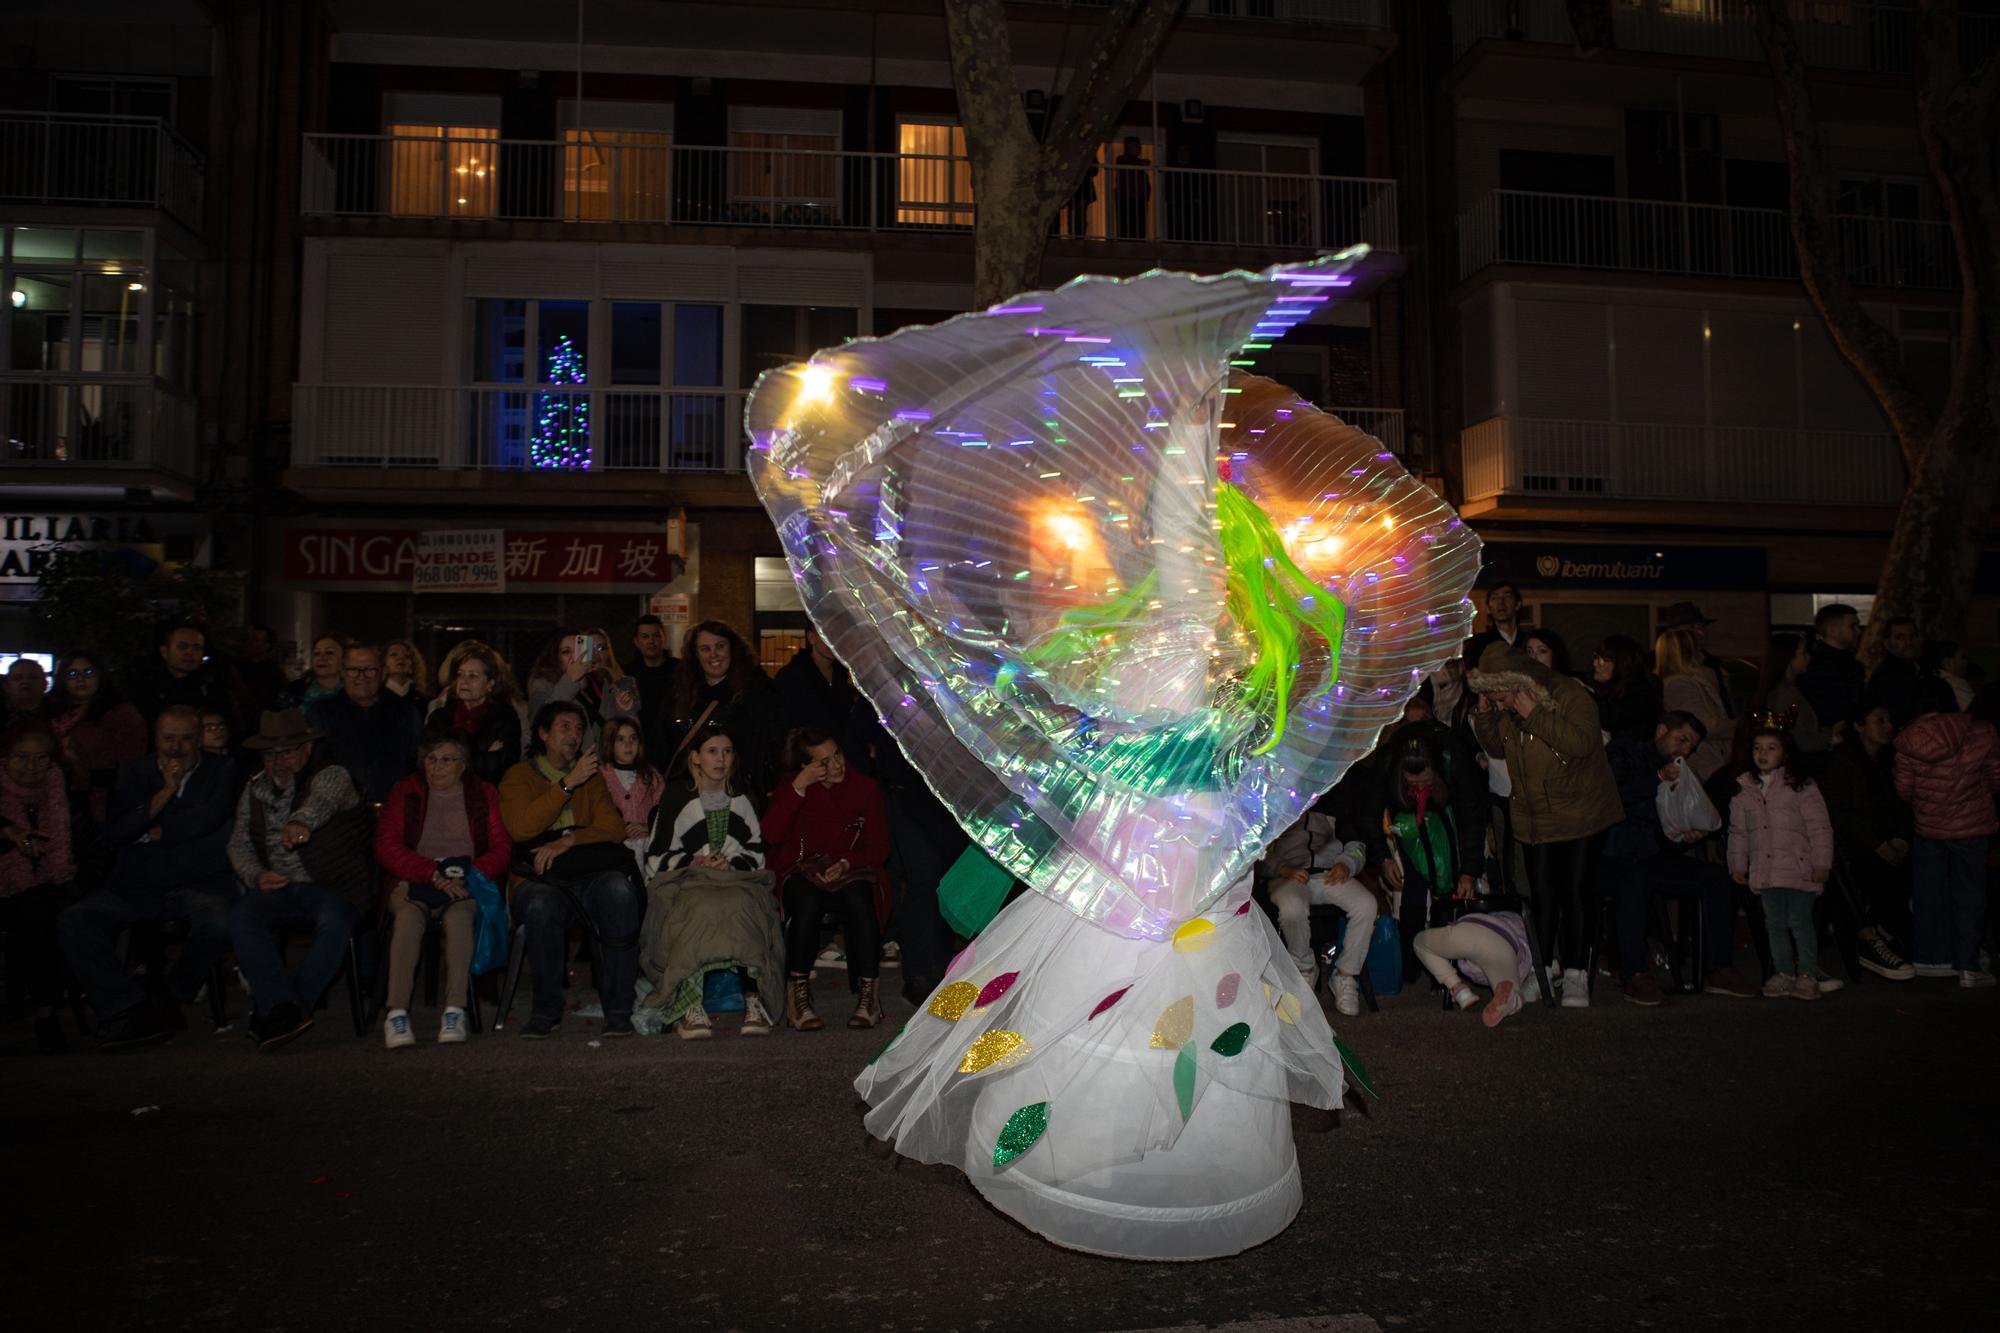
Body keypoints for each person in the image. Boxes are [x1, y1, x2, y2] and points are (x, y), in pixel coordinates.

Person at [56, 706, 239, 1050]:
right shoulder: (134, 773)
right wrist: (166, 792)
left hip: (196, 882)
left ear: (199, 738)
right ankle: (127, 1004)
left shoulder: (222, 770)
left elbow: (207, 821)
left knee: (221, 920)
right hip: (135, 884)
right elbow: (116, 831)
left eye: (186, 739)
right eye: (168, 738)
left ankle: (170, 994)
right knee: (74, 920)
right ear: (154, 738)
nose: (177, 747)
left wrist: (152, 829)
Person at [1468, 643, 1622, 1008]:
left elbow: (1583, 744)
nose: (1498, 701)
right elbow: (1498, 748)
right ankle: (1543, 969)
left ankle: (1576, 974)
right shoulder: (1507, 704)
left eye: (1498, 694)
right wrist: (1486, 713)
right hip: (1536, 815)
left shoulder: (1569, 695)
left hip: (1582, 812)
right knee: (1542, 896)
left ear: (1517, 682)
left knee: (1575, 892)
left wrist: (1535, 715)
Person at [499, 700, 642, 1038]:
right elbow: (522, 828)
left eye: (579, 729)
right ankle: (547, 1010)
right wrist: (566, 785)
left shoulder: (590, 778)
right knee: (540, 904)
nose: (574, 735)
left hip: (585, 869)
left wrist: (568, 841)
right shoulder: (518, 776)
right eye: (565, 727)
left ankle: (619, 1010)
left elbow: (613, 828)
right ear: (543, 734)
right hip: (538, 876)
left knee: (620, 891)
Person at [226, 709, 364, 1051]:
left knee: (335, 919)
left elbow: (322, 801)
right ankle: (283, 1007)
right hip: (279, 886)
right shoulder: (254, 789)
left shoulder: (331, 775)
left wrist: (301, 822)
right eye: (271, 754)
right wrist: (255, 874)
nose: (279, 761)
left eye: (288, 752)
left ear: (305, 750)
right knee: (243, 915)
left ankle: (283, 1010)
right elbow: (238, 843)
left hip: (332, 884)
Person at [638, 723, 784, 1039]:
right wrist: (698, 862)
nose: (721, 759)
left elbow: (756, 853)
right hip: (688, 882)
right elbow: (656, 855)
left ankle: (753, 998)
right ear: (695, 758)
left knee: (743, 907)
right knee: (699, 909)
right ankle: (689, 1005)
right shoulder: (677, 796)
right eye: (712, 752)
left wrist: (730, 863)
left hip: (736, 881)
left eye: (727, 752)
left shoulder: (742, 796)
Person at [1603, 712, 1755, 1006]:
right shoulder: (1624, 752)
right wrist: (1657, 778)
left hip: (1649, 857)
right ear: (1661, 730)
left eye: (1690, 746)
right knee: (1633, 880)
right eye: (1681, 739)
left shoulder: (1680, 770)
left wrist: (1683, 836)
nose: (1684, 750)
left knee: (1716, 878)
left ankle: (1719, 968)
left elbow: (1661, 833)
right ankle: (1635, 973)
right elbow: (1612, 796)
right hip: (1612, 856)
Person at [374, 733, 512, 1048]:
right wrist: (430, 874)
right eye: (431, 759)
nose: (437, 767)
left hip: (464, 880)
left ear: (463, 765)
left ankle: (454, 1009)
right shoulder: (405, 792)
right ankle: (396, 1013)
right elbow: (386, 846)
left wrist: (471, 875)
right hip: (414, 876)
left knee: (461, 917)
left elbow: (501, 847)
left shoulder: (482, 795)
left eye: (447, 760)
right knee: (408, 918)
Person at [765, 727, 891, 1031]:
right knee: (806, 901)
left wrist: (848, 863)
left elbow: (880, 846)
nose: (836, 765)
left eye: (838, 755)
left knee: (861, 897)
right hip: (803, 870)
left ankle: (869, 996)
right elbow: (771, 834)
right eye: (824, 762)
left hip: (851, 870)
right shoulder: (793, 786)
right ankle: (798, 994)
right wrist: (798, 788)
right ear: (807, 766)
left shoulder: (863, 787)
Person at [1363, 702, 1487, 978]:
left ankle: (1448, 959)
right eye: (1413, 783)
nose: (1420, 787)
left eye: (1425, 782)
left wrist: (1469, 870)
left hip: (1448, 818)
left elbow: (1471, 815)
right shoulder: (1387, 764)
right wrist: (1383, 857)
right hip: (1408, 824)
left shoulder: (1452, 758)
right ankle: (1412, 960)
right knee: (1414, 885)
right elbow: (1369, 816)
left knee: (1449, 884)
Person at [1893, 699, 2000, 987]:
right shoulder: (1983, 732)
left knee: (1929, 893)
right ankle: (1968, 964)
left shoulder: (1909, 738)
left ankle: (1931, 959)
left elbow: (1904, 790)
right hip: (1972, 827)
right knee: (1970, 896)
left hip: (1929, 829)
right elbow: (1995, 777)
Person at [1729, 728, 1836, 1001]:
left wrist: (1822, 862)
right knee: (1774, 924)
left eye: (1771, 748)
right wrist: (1737, 864)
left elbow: (1820, 827)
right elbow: (1739, 833)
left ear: (1786, 753)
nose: (1763, 754)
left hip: (1799, 869)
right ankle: (1784, 972)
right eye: (1757, 747)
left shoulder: (1801, 786)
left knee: (1800, 922)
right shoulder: (1745, 792)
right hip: (1767, 872)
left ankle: (1808, 974)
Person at [1819, 704, 1916, 979]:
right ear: (1859, 726)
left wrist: (1899, 838)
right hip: (1853, 848)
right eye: (1879, 721)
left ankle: (1900, 939)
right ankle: (1874, 939)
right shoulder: (1842, 761)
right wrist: (1878, 845)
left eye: (1889, 721)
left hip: (1885, 842)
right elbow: (1840, 816)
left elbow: (1902, 804)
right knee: (1878, 876)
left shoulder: (1888, 762)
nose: (1888, 727)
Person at [1, 721, 77, 1053]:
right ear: (5, 758)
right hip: (6, 884)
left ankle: (45, 1013)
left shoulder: (59, 786)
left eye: (40, 758)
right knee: (33, 917)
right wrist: (11, 836)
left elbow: (78, 847)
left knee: (45, 917)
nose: (31, 767)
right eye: (21, 757)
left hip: (49, 884)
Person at [1262, 808, 1374, 1017]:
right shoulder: (1278, 805)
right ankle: (1303, 968)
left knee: (1366, 904)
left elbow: (1357, 845)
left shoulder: (1334, 801)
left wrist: (1346, 863)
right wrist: (1281, 868)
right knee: (1292, 908)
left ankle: (1346, 974)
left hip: (1329, 874)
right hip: (1288, 876)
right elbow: (1258, 851)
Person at [665, 621, 780, 797]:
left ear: (732, 649)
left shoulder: (757, 692)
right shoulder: (679, 692)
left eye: (720, 646)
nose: (714, 654)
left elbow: (771, 744)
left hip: (740, 793)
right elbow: (664, 742)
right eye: (705, 649)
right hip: (690, 793)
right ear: (695, 654)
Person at [308, 643, 422, 804]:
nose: (361, 676)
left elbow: (415, 764)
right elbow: (313, 766)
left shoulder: (406, 713)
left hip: (393, 810)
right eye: (354, 670)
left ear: (383, 673)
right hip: (338, 813)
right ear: (342, 672)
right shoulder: (320, 713)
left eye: (369, 670)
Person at [46, 648, 147, 826]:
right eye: (72, 673)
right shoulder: (52, 714)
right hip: (53, 801)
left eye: (88, 672)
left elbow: (132, 765)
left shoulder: (120, 713)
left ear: (101, 675)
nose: (80, 679)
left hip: (104, 803)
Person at [1412, 907, 1534, 1027]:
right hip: (1505, 946)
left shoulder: (1499, 912)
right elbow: (1525, 961)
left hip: (1471, 930)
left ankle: (1458, 988)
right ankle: (1511, 999)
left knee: (1420, 941)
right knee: (1514, 992)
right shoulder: (1526, 927)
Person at [526, 628, 640, 751]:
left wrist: (625, 710)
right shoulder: (543, 685)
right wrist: (570, 680)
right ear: (555, 657)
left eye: (576, 651)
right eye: (566, 652)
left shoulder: (596, 680)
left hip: (605, 761)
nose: (573, 658)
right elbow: (538, 723)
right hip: (567, 762)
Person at [426, 642, 523, 785]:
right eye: (460, 675)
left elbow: (499, 766)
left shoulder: (504, 718)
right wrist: (484, 754)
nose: (464, 682)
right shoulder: (440, 718)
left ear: (490, 684)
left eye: (473, 676)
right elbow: (431, 764)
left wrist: (455, 761)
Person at [1657, 627, 1730, 784]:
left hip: (1709, 758)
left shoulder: (1693, 679)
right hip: (1703, 762)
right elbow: (1705, 726)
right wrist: (1740, 726)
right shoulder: (1679, 685)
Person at [128, 621, 235, 728]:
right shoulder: (145, 687)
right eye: (183, 647)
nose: (190, 653)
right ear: (164, 652)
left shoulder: (214, 687)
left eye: (197, 648)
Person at [774, 625, 858, 740]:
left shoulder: (843, 674)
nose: (833, 642)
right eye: (826, 635)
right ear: (811, 638)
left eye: (837, 636)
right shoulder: (792, 675)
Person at [600, 716, 664, 863]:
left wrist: (649, 827)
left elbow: (665, 814)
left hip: (649, 850)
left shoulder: (652, 775)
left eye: (633, 738)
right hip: (614, 851)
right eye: (620, 739)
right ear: (610, 743)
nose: (628, 745)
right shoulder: (600, 776)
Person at [1796, 603, 1865, 731]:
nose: (1858, 631)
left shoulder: (1853, 663)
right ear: (1832, 630)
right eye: (1852, 626)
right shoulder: (1815, 665)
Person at [1658, 602, 1734, 719]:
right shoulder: (1661, 663)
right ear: (1676, 632)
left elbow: (1723, 703)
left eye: (1702, 627)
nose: (1701, 633)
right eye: (1692, 628)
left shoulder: (1710, 663)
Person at [1588, 635, 1661, 744]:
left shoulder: (1641, 694)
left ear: (1621, 664)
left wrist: (1581, 692)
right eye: (1596, 657)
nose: (1595, 664)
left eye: (1603, 660)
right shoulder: (1613, 688)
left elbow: (1610, 718)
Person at [1865, 616, 1931, 726]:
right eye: (1900, 638)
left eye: (1913, 636)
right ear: (1887, 643)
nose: (1909, 642)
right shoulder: (1888, 676)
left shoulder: (1921, 667)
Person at [628, 615, 678, 752]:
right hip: (639, 745)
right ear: (636, 642)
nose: (651, 641)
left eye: (655, 636)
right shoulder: (628, 674)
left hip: (674, 743)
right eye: (645, 636)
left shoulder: (680, 670)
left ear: (664, 638)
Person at [278, 634, 347, 712]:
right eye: (316, 653)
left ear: (343, 659)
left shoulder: (353, 692)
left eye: (329, 653)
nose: (321, 658)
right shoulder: (294, 690)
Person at [1462, 582, 1523, 664]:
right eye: (1494, 598)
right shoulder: (1479, 643)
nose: (1501, 602)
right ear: (1488, 609)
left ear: (1517, 605)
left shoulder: (1528, 641)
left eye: (1507, 596)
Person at [235, 623, 289, 713]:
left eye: (255, 640)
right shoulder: (239, 665)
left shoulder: (273, 672)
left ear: (267, 645)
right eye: (250, 639)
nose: (250, 643)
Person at [1112, 135, 1150, 239]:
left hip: (1140, 199)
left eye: (1139, 146)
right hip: (1127, 198)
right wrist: (1142, 163)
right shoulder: (1122, 159)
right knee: (1127, 224)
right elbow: (1138, 163)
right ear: (1128, 147)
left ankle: (1139, 242)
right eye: (1136, 145)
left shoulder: (1137, 164)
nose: (1139, 148)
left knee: (1139, 226)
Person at [382, 640, 431, 718]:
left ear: (412, 665)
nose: (400, 658)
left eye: (406, 656)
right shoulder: (375, 698)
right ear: (383, 663)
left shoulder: (422, 701)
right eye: (394, 655)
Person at [4, 658, 54, 731]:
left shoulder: (61, 717)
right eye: (18, 678)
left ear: (45, 684)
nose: (25, 682)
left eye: (33, 678)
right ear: (7, 685)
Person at [1927, 641, 1976, 713]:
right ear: (1948, 662)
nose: (1966, 661)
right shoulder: (1952, 683)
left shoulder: (1936, 679)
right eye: (1963, 657)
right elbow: (1975, 712)